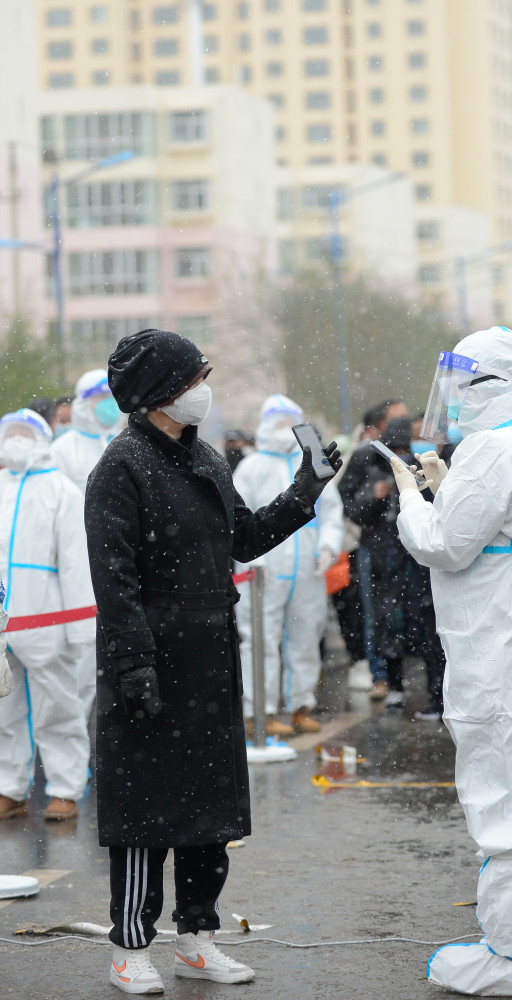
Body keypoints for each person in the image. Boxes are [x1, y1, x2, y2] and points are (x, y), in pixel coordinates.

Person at [84, 329, 341, 995]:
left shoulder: (205, 461)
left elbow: (246, 536)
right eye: (198, 377)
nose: (207, 388)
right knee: (144, 816)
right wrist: (134, 664)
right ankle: (130, 945)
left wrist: (306, 489)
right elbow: (115, 585)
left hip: (208, 657)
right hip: (150, 660)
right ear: (162, 392)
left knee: (207, 812)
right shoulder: (121, 470)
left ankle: (197, 935)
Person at [392, 327, 512, 996]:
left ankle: (507, 955)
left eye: (461, 384)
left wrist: (413, 503)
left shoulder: (493, 447)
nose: (451, 398)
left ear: (487, 385)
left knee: (502, 788)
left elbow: (446, 544)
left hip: (502, 641)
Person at [0, 409, 94, 822]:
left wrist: (80, 629)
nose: (17, 439)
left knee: (58, 706)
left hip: (47, 616)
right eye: (10, 433)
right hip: (4, 621)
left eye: (26, 432)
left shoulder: (62, 491)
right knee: (4, 709)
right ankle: (8, 787)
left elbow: (75, 564)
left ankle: (65, 789)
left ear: (42, 438)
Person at [233, 394, 343, 736]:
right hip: (262, 571)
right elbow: (238, 522)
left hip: (307, 569)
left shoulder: (313, 466)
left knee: (306, 636)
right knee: (260, 640)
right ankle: (259, 712)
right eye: (278, 421)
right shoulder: (250, 467)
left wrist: (328, 546)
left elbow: (332, 512)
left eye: (290, 421)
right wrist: (255, 559)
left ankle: (300, 705)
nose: (284, 428)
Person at [53, 370, 124, 720]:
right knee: (80, 666)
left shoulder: (122, 444)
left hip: (120, 566)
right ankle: (77, 751)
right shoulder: (62, 451)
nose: (110, 407)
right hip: (78, 568)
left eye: (113, 399)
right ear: (84, 404)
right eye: (101, 400)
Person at [339, 399, 410, 700]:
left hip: (409, 547)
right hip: (374, 548)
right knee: (374, 615)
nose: (402, 427)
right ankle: (379, 676)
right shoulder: (364, 458)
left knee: (404, 615)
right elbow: (347, 505)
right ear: (379, 427)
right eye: (396, 421)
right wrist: (374, 496)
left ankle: (399, 680)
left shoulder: (413, 457)